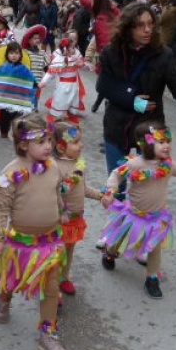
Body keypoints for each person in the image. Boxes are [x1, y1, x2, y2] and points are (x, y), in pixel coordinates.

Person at [97, 120, 176, 298]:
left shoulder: (166, 165)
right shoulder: (135, 164)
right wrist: (110, 190)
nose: (166, 145)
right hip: (134, 216)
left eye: (168, 141)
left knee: (154, 248)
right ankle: (109, 254)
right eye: (160, 142)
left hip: (156, 218)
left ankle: (152, 279)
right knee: (119, 243)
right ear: (145, 144)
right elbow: (116, 174)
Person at [0, 114, 69, 350]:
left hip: (50, 242)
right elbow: (0, 207)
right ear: (23, 144)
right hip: (20, 244)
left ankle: (48, 333)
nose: (48, 146)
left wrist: (62, 210)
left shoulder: (53, 166)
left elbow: (56, 193)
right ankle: (4, 297)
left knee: (51, 287)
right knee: (12, 279)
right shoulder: (11, 173)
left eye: (50, 140)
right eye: (41, 141)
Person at [96, 1, 176, 172]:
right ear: (128, 28)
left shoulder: (164, 55)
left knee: (149, 187)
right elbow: (103, 85)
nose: (147, 29)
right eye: (140, 25)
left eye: (150, 24)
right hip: (117, 127)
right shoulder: (111, 52)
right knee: (116, 188)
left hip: (151, 129)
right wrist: (131, 100)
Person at [51, 121, 104, 297]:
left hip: (75, 219)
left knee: (69, 251)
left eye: (80, 141)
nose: (81, 145)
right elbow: (52, 194)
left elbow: (83, 188)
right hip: (59, 220)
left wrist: (101, 196)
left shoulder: (77, 164)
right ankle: (52, 289)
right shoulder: (54, 168)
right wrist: (60, 213)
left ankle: (64, 278)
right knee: (55, 255)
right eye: (76, 142)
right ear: (60, 147)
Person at [0, 41, 37, 139]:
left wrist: (35, 84)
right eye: (11, 53)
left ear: (20, 55)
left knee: (17, 118)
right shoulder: (2, 67)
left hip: (18, 99)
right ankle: (4, 132)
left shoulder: (24, 69)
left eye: (17, 53)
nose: (14, 56)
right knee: (3, 117)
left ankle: (16, 133)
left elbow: (31, 79)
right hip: (4, 99)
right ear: (7, 54)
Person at [40, 36, 87, 126]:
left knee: (72, 102)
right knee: (60, 102)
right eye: (72, 47)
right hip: (63, 86)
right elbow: (50, 73)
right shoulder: (59, 60)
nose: (74, 49)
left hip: (73, 86)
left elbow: (84, 67)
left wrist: (83, 65)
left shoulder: (75, 59)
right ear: (66, 49)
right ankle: (54, 124)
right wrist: (44, 82)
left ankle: (68, 123)